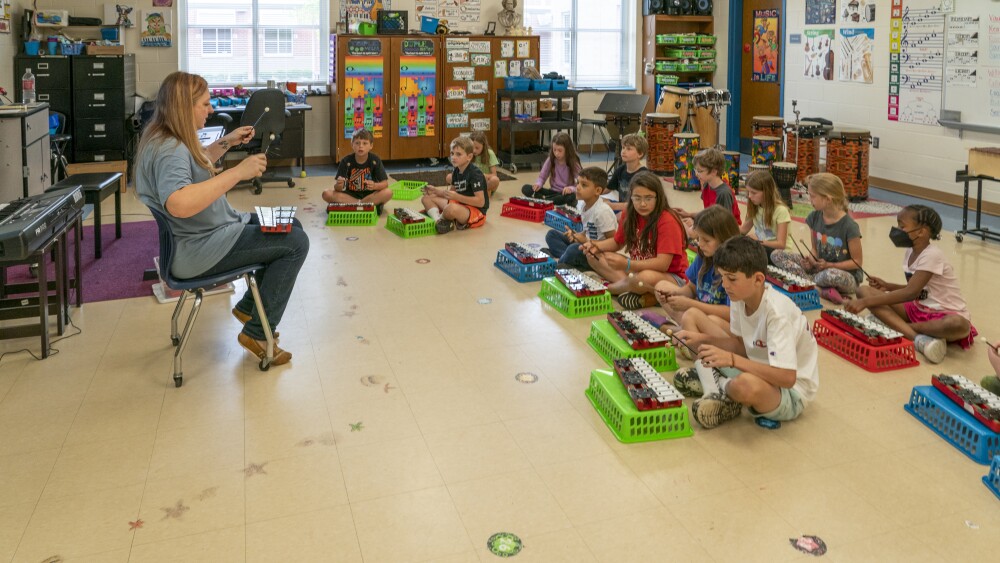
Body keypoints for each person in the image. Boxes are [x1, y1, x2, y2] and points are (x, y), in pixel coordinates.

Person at [135, 71, 309, 365]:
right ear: (183, 107)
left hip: (209, 234)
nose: (211, 109)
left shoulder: (165, 139)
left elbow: (196, 163)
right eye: (205, 104)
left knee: (292, 224)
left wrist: (228, 141)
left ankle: (248, 307)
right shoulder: (170, 151)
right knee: (296, 242)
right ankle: (256, 331)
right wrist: (237, 173)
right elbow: (179, 203)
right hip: (202, 248)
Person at [673, 236, 820, 429]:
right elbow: (741, 345)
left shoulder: (777, 314)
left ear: (758, 279)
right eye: (722, 276)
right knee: (692, 316)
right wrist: (701, 339)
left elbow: (787, 377)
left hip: (790, 392)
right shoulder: (739, 296)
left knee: (745, 385)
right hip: (759, 366)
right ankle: (715, 386)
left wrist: (731, 360)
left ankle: (720, 386)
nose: (725, 285)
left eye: (732, 279)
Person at [844, 205, 978, 364]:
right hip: (918, 309)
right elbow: (918, 290)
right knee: (864, 290)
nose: (897, 230)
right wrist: (888, 286)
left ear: (921, 231)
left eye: (902, 226)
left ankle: (897, 326)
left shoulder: (932, 255)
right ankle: (919, 339)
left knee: (959, 325)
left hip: (944, 313)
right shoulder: (910, 251)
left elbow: (910, 293)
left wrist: (865, 303)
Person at [581, 171, 688, 309]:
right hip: (637, 270)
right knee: (593, 256)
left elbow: (663, 264)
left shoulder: (667, 220)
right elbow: (617, 242)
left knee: (644, 278)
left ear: (658, 197)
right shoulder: (629, 213)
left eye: (648, 198)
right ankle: (635, 288)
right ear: (630, 197)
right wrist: (595, 245)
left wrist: (627, 264)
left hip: (672, 277)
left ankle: (611, 288)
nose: (642, 204)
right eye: (637, 198)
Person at [651, 205, 740, 355]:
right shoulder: (703, 258)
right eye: (698, 238)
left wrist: (691, 304)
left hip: (724, 326)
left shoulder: (734, 270)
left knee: (700, 316)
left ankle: (690, 341)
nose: (700, 244)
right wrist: (675, 293)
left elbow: (731, 313)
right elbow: (691, 288)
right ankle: (686, 331)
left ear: (724, 239)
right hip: (699, 313)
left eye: (706, 240)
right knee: (661, 285)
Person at [770, 173, 863, 304]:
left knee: (831, 274)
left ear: (828, 199)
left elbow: (857, 262)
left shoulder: (850, 226)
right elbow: (814, 249)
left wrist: (829, 265)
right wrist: (810, 261)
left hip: (844, 275)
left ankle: (807, 282)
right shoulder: (814, 217)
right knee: (776, 254)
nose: (809, 199)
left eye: (813, 196)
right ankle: (818, 287)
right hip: (819, 270)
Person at [542, 166, 617, 269]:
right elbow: (587, 231)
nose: (578, 187)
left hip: (597, 255)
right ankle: (566, 260)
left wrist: (586, 241)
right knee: (551, 235)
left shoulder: (602, 211)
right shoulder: (583, 205)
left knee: (573, 249)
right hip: (585, 246)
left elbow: (613, 243)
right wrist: (575, 235)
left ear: (598, 190)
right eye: (578, 183)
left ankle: (559, 262)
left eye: (584, 185)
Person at [422, 136, 489, 234]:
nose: (453, 157)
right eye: (452, 153)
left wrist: (457, 197)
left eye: (458, 154)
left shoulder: (475, 174)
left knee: (450, 208)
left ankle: (442, 219)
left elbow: (480, 202)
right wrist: (435, 191)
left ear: (469, 157)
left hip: (476, 211)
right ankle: (438, 221)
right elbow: (451, 194)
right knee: (426, 198)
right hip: (460, 205)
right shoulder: (457, 170)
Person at [322, 128, 391, 214]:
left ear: (371, 146)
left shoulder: (375, 160)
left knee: (388, 192)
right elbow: (337, 188)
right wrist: (339, 185)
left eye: (365, 143)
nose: (360, 146)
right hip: (350, 195)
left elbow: (385, 184)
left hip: (369, 196)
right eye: (357, 143)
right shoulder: (345, 161)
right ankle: (364, 205)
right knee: (326, 193)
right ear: (352, 145)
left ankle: (357, 205)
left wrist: (374, 186)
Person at [678, 148, 741, 228]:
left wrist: (696, 224)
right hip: (714, 226)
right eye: (696, 170)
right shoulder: (706, 185)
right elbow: (708, 214)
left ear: (714, 172)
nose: (696, 174)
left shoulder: (723, 193)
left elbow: (724, 225)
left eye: (700, 171)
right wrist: (688, 214)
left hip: (728, 232)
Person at [521, 132, 582, 206]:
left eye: (560, 150)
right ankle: (546, 200)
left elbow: (580, 184)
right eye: (554, 150)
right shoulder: (551, 159)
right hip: (552, 192)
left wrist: (571, 188)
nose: (556, 153)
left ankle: (543, 200)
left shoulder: (573, 163)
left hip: (564, 194)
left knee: (571, 197)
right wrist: (538, 184)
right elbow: (542, 177)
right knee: (526, 188)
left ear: (567, 149)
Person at [739, 170, 791, 256]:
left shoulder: (781, 210)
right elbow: (743, 230)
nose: (749, 196)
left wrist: (758, 241)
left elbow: (781, 244)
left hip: (779, 254)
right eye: (748, 192)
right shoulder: (754, 206)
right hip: (761, 248)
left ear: (767, 192)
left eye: (754, 193)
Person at [449, 131, 500, 197]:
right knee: (450, 177)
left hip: (484, 181)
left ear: (483, 146)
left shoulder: (489, 153)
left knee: (495, 180)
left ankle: (483, 192)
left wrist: (482, 175)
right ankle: (469, 191)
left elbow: (494, 174)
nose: (474, 151)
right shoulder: (467, 153)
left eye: (477, 148)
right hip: (470, 181)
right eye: (473, 148)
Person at [606, 133, 649, 212]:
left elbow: (640, 203)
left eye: (629, 149)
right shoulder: (620, 170)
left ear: (640, 154)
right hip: (623, 208)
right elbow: (607, 188)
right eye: (623, 147)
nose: (623, 151)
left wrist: (613, 206)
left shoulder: (644, 175)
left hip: (636, 210)